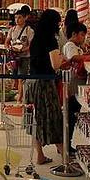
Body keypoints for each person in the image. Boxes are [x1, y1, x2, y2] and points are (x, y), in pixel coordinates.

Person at [23, 9, 65, 165]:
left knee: (35, 119)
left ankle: (40, 155)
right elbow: (55, 64)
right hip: (45, 84)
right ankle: (65, 156)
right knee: (52, 118)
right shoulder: (50, 40)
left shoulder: (36, 39)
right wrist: (62, 58)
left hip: (31, 83)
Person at [63, 22, 90, 152]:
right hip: (73, 85)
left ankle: (68, 143)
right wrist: (88, 57)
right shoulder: (70, 45)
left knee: (73, 114)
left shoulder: (76, 46)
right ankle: (66, 144)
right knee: (71, 115)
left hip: (76, 85)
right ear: (74, 34)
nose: (83, 38)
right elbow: (73, 57)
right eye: (82, 35)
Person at [5, 5, 34, 101]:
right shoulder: (12, 30)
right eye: (16, 17)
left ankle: (20, 98)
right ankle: (18, 94)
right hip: (14, 57)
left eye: (19, 17)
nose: (17, 20)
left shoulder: (29, 30)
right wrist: (9, 48)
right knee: (15, 76)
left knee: (22, 77)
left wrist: (22, 50)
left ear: (25, 18)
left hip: (24, 57)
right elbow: (7, 42)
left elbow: (31, 45)